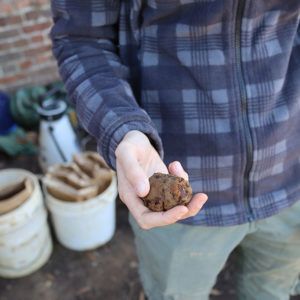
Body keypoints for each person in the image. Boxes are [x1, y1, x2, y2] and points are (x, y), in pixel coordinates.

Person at [50, 1, 300, 299]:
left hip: (289, 175)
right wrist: (122, 127)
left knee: (273, 292)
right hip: (172, 185)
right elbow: (82, 38)